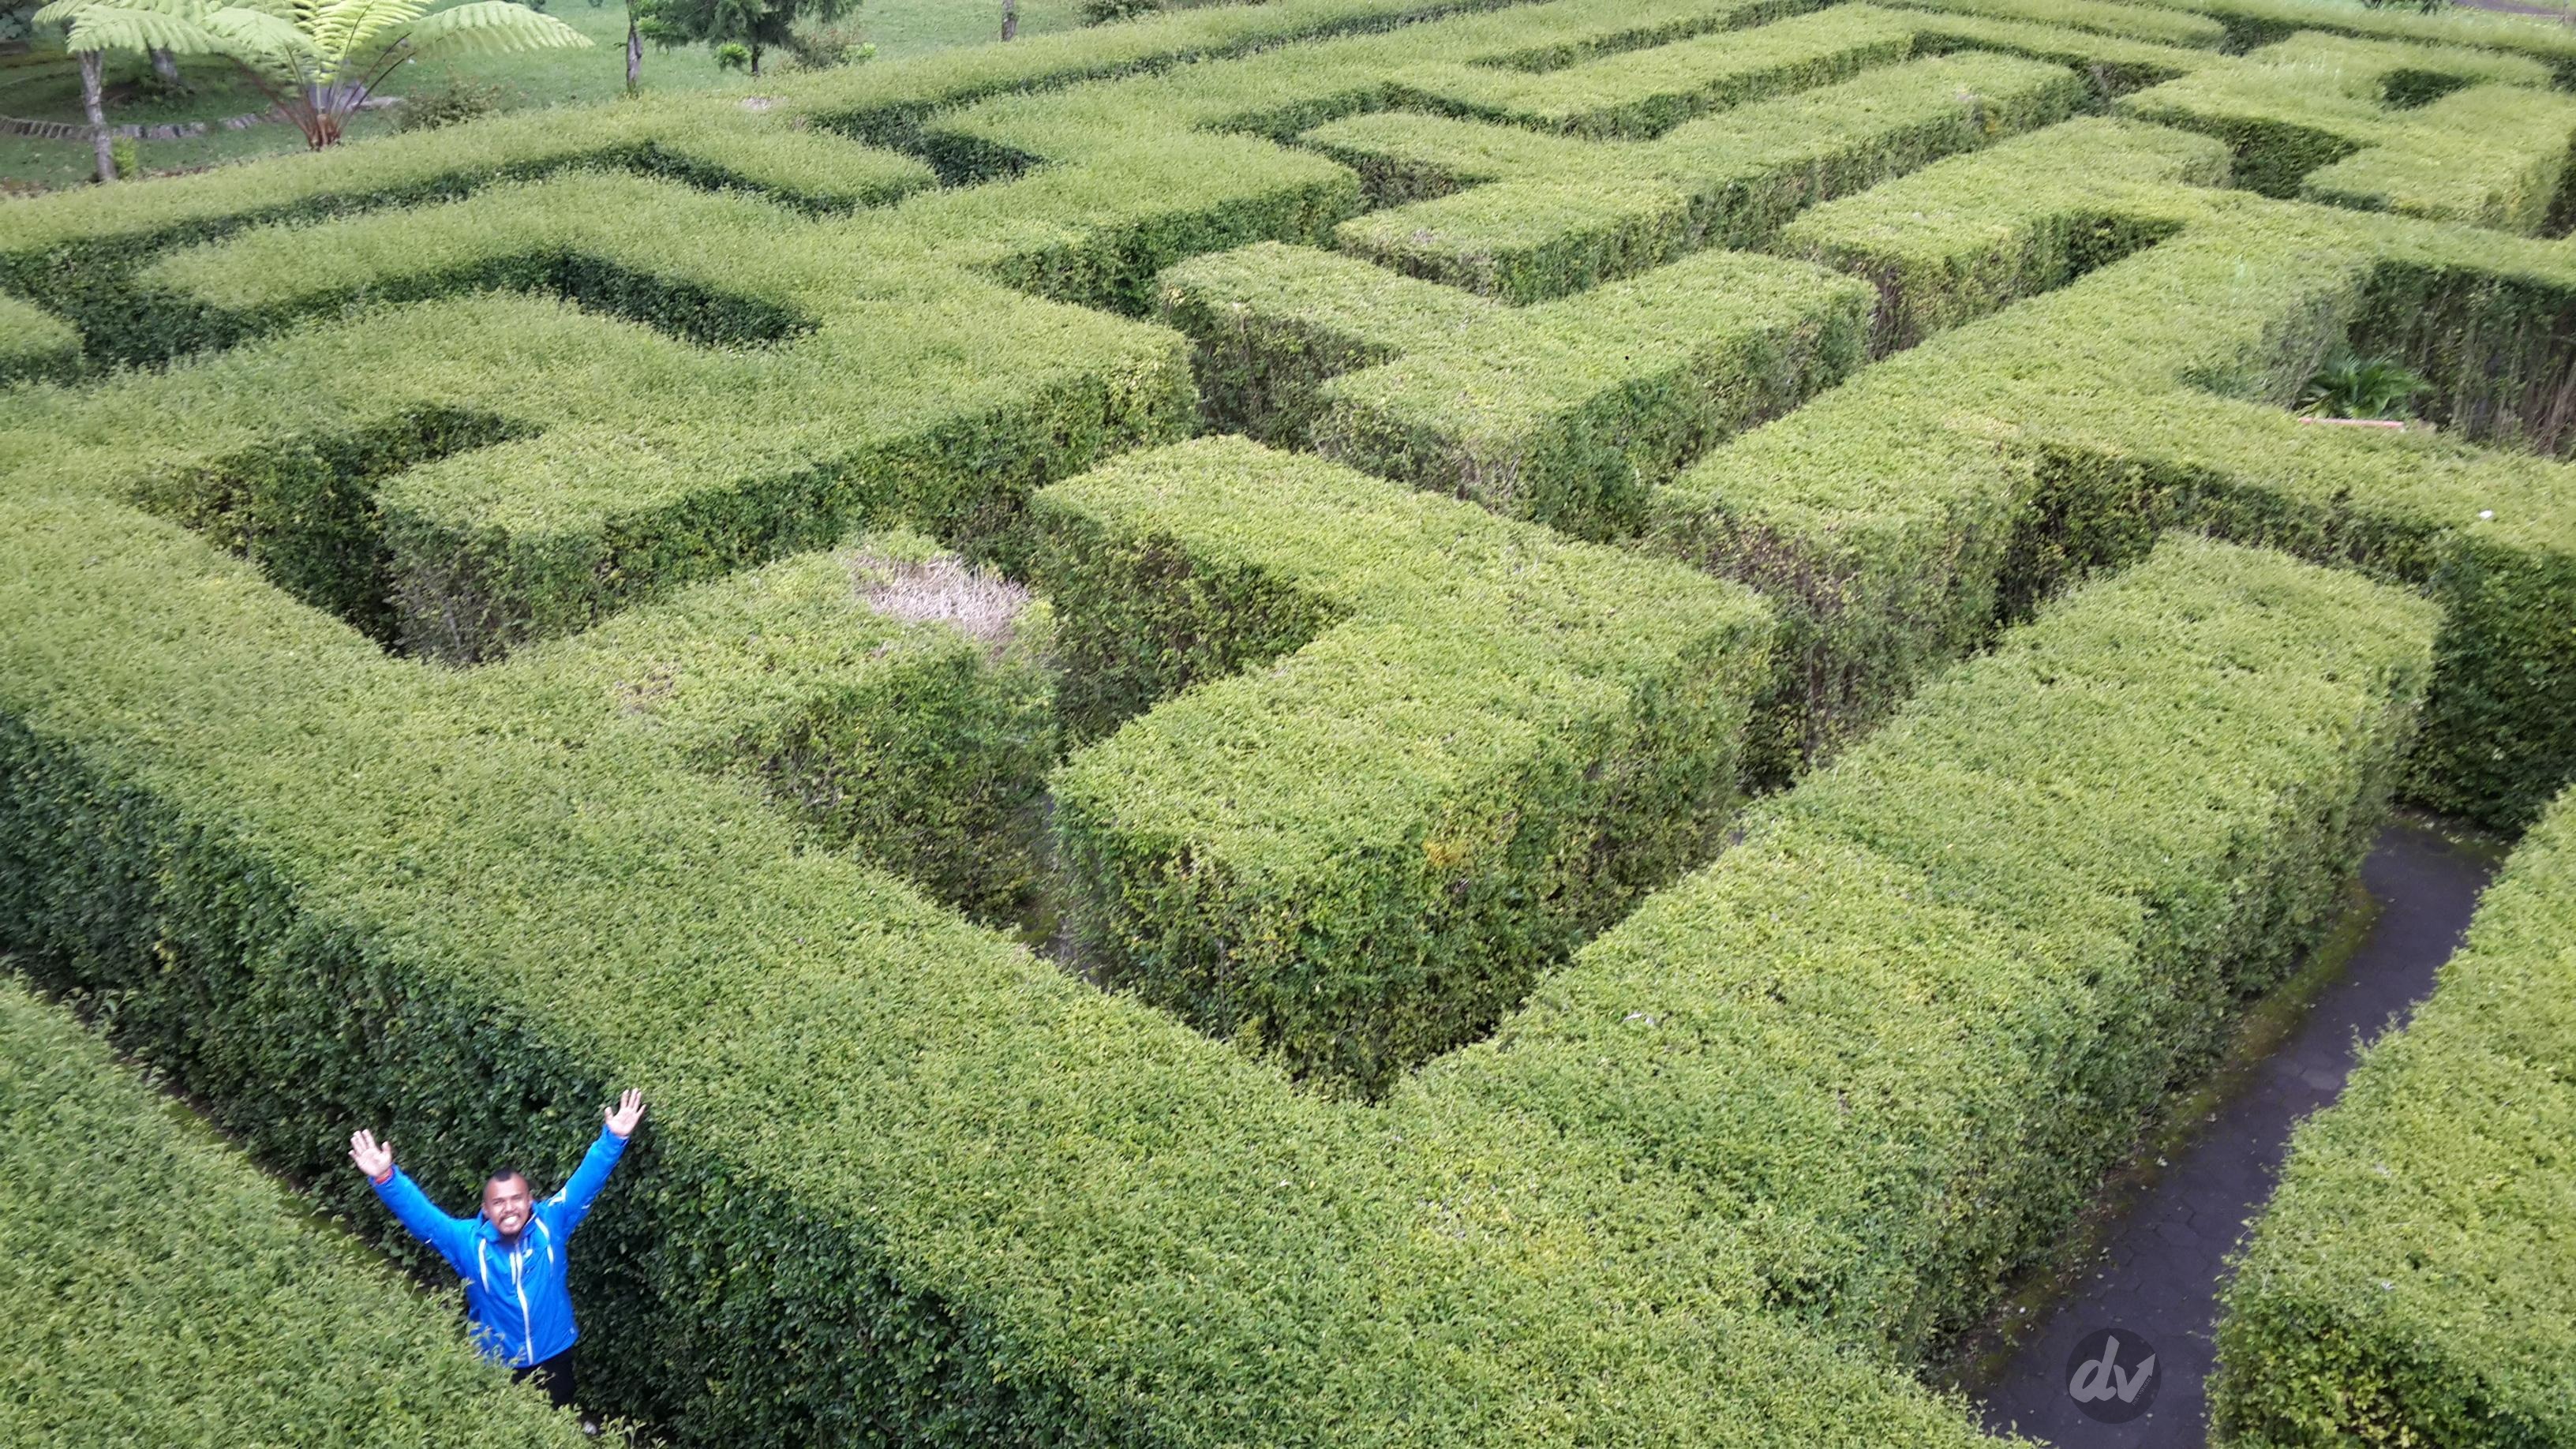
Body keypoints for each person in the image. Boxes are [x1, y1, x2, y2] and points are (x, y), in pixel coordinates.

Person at [347, 1089, 644, 1428]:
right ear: (486, 1209)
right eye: (499, 1203)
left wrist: (614, 1138)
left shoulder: (552, 1222)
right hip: (499, 1362)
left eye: (516, 1199)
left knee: (558, 1421)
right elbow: (423, 1219)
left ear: (530, 1200)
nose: (509, 1208)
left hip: (555, 1351)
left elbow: (585, 1183)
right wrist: (386, 1178)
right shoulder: (466, 1241)